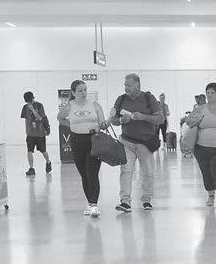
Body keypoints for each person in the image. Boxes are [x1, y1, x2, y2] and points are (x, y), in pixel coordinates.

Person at [109, 73, 165, 212]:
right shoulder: (121, 99)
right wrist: (121, 120)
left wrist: (143, 117)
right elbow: (113, 119)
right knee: (126, 170)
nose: (126, 88)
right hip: (127, 142)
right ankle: (125, 201)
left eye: (129, 85)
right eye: (125, 85)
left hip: (145, 143)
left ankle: (147, 200)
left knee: (148, 172)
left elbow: (160, 118)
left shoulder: (148, 98)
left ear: (137, 85)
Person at [57, 79, 107, 217]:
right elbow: (60, 118)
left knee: (92, 172)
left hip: (94, 141)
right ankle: (90, 204)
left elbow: (102, 124)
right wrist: (72, 126)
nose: (84, 93)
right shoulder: (69, 106)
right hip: (77, 141)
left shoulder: (95, 105)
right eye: (80, 90)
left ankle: (94, 205)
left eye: (85, 90)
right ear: (73, 93)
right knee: (84, 174)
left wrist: (109, 121)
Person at [20, 91, 51, 176]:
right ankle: (31, 168)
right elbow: (26, 119)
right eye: (27, 101)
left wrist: (33, 109)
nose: (29, 103)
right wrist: (27, 130)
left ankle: (48, 162)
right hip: (30, 134)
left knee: (43, 151)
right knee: (29, 151)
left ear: (33, 98)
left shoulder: (40, 106)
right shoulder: (25, 107)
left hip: (40, 133)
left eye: (30, 100)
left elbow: (40, 118)